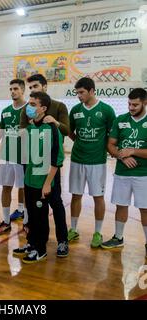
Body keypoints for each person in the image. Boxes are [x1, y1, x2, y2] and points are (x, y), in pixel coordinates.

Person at [20, 74, 69, 257]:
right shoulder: (28, 112)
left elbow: (67, 131)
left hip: (49, 169)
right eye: (30, 87)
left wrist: (54, 122)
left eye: (35, 86)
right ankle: (33, 242)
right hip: (32, 169)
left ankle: (61, 241)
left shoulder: (59, 108)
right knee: (33, 208)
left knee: (54, 204)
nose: (32, 90)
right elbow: (24, 131)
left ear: (45, 86)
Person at [13, 92, 64, 263]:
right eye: (29, 103)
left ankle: (40, 249)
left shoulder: (51, 129)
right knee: (32, 215)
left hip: (43, 183)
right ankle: (31, 243)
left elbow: (57, 159)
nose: (29, 106)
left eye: (33, 104)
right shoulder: (29, 129)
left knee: (41, 216)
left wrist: (48, 183)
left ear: (43, 108)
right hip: (29, 181)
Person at [68, 77, 116, 247]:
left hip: (97, 161)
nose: (79, 96)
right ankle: (73, 230)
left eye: (81, 92)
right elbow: (70, 131)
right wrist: (80, 142)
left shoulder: (107, 110)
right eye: (77, 93)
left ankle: (98, 232)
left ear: (92, 91)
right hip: (77, 159)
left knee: (98, 197)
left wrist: (103, 148)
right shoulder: (75, 110)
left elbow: (112, 136)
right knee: (76, 195)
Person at [101, 88, 147, 259]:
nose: (131, 107)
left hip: (144, 174)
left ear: (145, 103)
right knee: (121, 205)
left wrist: (132, 151)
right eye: (129, 104)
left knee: (145, 209)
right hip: (122, 172)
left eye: (135, 104)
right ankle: (118, 237)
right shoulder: (120, 120)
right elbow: (110, 144)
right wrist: (121, 156)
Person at [0, 79, 28, 235]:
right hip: (7, 156)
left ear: (22, 90)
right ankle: (6, 221)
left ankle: (27, 221)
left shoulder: (30, 109)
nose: (13, 91)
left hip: (24, 157)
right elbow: (1, 133)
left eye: (16, 89)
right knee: (6, 187)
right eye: (11, 89)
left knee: (24, 188)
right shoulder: (6, 111)